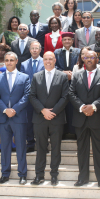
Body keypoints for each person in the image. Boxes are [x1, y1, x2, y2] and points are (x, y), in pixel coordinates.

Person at [69, 50, 100, 188]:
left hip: (97, 118)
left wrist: (93, 107)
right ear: (83, 59)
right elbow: (71, 93)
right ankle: (83, 178)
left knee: (99, 148)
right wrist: (82, 107)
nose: (88, 59)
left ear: (97, 59)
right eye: (86, 57)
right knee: (82, 149)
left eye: (92, 57)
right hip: (81, 118)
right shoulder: (76, 75)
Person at [29, 51, 69, 186]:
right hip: (40, 118)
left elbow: (65, 97)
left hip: (56, 119)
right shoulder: (36, 76)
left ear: (55, 60)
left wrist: (53, 112)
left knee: (56, 148)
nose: (48, 61)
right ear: (43, 61)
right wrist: (43, 110)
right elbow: (32, 96)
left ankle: (54, 175)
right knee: (40, 148)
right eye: (45, 59)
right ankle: (39, 175)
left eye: (50, 59)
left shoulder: (62, 76)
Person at [0, 52, 30, 185]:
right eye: (7, 60)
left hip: (18, 117)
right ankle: (5, 174)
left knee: (20, 146)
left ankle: (22, 174)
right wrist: (5, 110)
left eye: (11, 60)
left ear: (16, 61)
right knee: (5, 147)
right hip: (3, 118)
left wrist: (14, 109)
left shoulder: (25, 77)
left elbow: (27, 96)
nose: (9, 62)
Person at [54, 32, 81, 140]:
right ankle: (64, 131)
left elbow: (80, 65)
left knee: (73, 107)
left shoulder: (78, 52)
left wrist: (72, 75)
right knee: (63, 106)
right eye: (65, 39)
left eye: (69, 39)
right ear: (62, 41)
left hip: (75, 82)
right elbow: (54, 65)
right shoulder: (57, 52)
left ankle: (74, 131)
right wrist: (63, 73)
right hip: (61, 83)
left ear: (72, 41)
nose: (67, 41)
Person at [20, 41, 45, 153]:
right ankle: (30, 143)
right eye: (32, 48)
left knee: (43, 122)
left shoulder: (46, 62)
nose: (34, 50)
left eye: (37, 48)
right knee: (29, 121)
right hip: (29, 97)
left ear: (40, 50)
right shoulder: (24, 64)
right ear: (29, 50)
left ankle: (43, 144)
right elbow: (21, 80)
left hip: (42, 97)